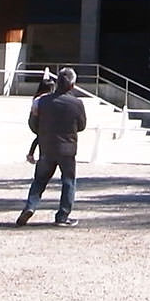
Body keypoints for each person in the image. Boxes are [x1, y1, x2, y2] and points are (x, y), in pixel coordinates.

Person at [17, 67, 88, 226]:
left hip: (46, 147)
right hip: (67, 148)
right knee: (68, 181)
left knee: (39, 180)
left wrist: (43, 132)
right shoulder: (77, 103)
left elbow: (33, 124)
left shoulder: (42, 101)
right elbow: (82, 125)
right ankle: (62, 215)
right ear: (72, 85)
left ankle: (30, 206)